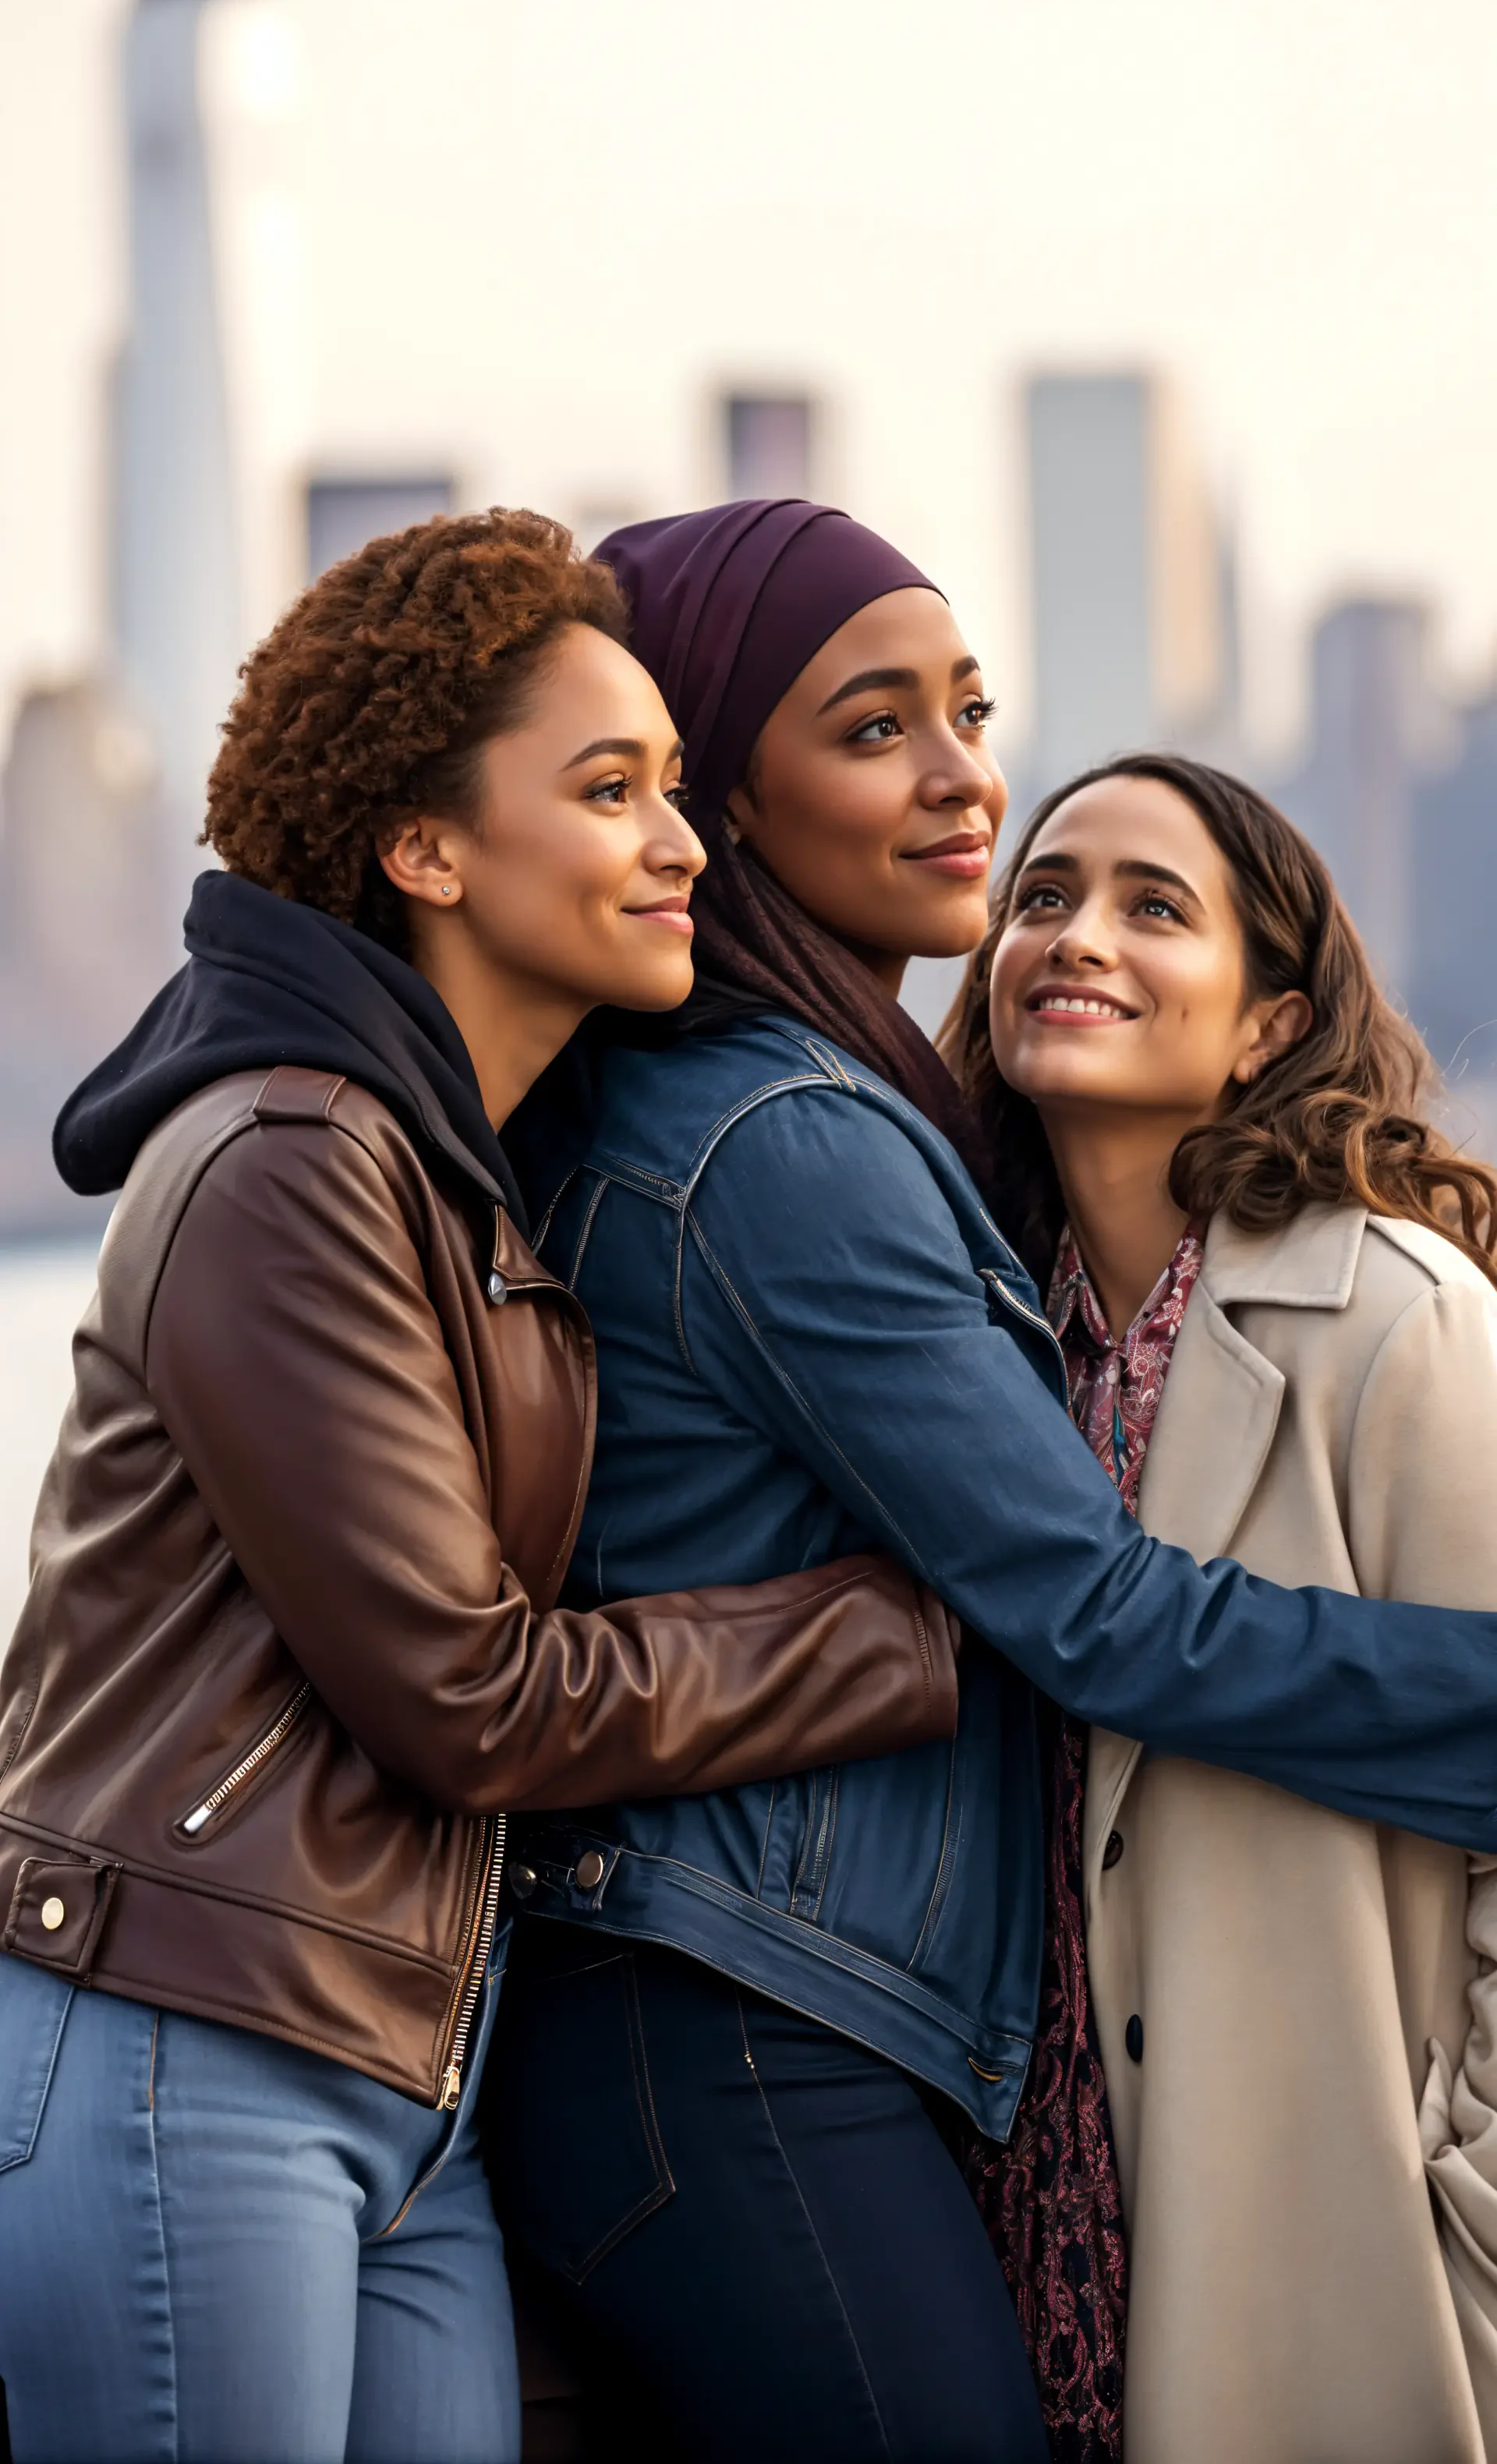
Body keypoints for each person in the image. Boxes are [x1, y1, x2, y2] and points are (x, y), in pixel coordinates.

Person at [489, 497, 1497, 2464]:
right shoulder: (791, 1139)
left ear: (1272, 1022)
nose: (964, 781)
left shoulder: (1372, 1314)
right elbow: (1102, 1619)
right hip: (751, 2034)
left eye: (970, 709)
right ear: (721, 798)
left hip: (821, 2051)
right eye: (874, 730)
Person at [0, 508, 960, 2464]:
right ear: (426, 848)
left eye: (676, 787)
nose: (681, 841)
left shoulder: (459, 1171)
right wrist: (901, 1626)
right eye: (609, 792)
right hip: (193, 2040)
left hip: (410, 2071)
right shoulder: (295, 1161)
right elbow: (469, 1689)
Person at [944, 749, 1497, 2464]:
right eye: (1042, 895)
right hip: (1033, 2223)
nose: (1072, 934)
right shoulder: (970, 1350)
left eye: (1150, 905)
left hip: (1334, 2236)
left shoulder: (1399, 1320)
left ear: (1265, 1020)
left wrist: (1470, 2205)